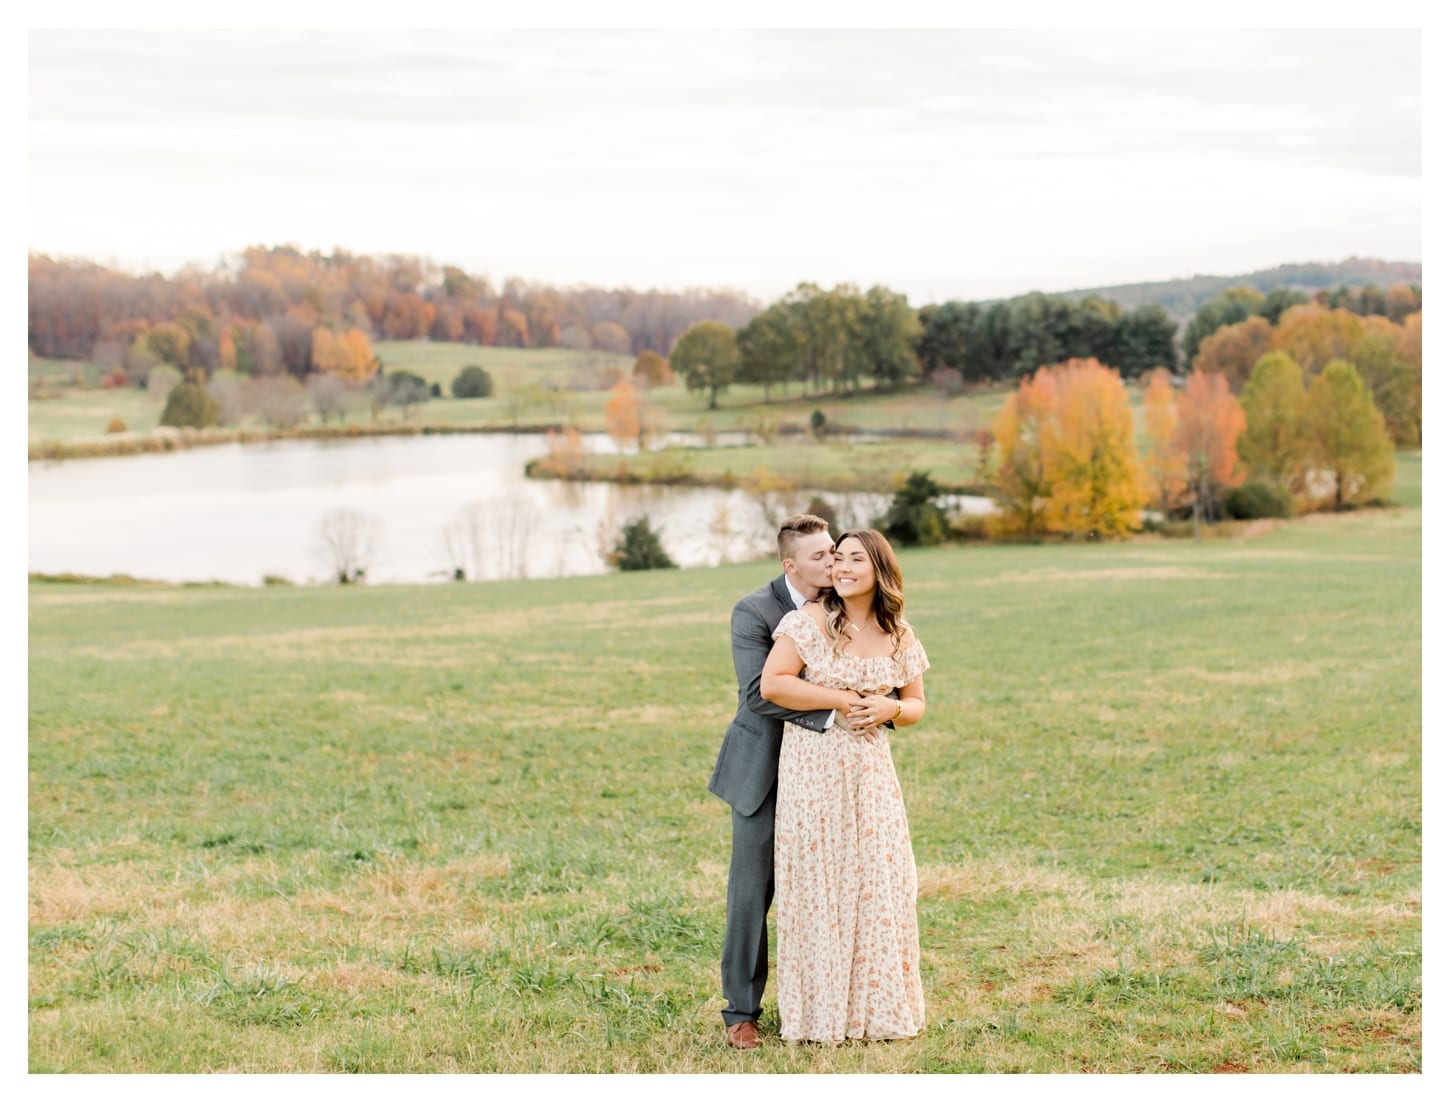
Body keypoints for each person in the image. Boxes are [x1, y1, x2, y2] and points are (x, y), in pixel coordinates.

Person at [760, 528, 929, 1044]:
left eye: (856, 558)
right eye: (838, 558)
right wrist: (838, 699)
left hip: (872, 772)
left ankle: (878, 1010)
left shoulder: (900, 633)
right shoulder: (806, 622)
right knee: (822, 882)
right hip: (814, 768)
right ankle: (820, 1015)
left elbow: (917, 705)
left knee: (876, 880)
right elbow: (774, 683)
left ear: (879, 568)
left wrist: (890, 708)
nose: (842, 566)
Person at [707, 514, 838, 1050]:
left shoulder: (844, 603)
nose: (832, 562)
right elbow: (759, 695)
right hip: (764, 771)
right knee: (751, 893)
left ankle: (829, 1003)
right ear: (791, 565)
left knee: (829, 888)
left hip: (829, 770)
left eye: (834, 551)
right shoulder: (754, 611)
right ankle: (741, 1012)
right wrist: (836, 713)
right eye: (819, 556)